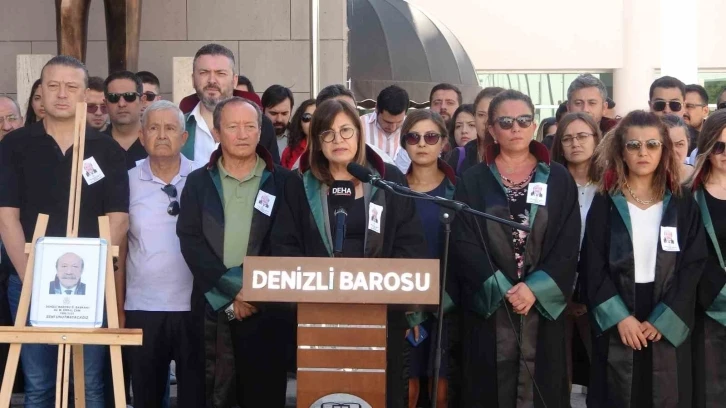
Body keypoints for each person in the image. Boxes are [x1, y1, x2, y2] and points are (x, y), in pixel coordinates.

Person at [270, 99, 426, 408]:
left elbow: (410, 243)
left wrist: (399, 295)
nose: (338, 140)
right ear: (316, 141)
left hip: (382, 312)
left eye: (345, 131)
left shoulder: (388, 179)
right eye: (327, 133)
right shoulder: (299, 186)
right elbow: (284, 245)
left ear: (359, 135)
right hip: (319, 315)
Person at [0, 55, 129, 408]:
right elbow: (6, 217)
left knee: (89, 385)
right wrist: (33, 279)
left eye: (71, 86)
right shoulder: (16, 145)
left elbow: (118, 219)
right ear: (39, 91)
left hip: (87, 283)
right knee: (39, 384)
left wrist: (95, 269)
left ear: (86, 94)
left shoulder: (106, 149)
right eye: (52, 85)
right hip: (26, 279)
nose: (61, 94)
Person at [449, 89, 579, 407]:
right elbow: (464, 242)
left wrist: (534, 289)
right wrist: (501, 288)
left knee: (543, 389)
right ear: (491, 129)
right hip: (491, 305)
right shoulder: (474, 180)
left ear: (533, 125)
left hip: (541, 307)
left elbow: (567, 242)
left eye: (523, 120)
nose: (515, 128)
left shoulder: (558, 178)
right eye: (505, 122)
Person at [580, 110, 707, 407]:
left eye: (652, 144)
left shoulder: (681, 201)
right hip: (620, 309)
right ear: (621, 151)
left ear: (663, 149)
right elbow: (592, 266)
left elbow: (693, 264)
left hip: (667, 310)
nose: (643, 153)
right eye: (633, 145)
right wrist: (619, 317)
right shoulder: (606, 201)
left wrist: (666, 317)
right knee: (618, 391)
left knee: (666, 391)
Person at [177, 97, 292, 408]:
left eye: (250, 126)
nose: (242, 134)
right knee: (211, 393)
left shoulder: (284, 182)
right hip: (211, 308)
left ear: (259, 131)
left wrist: (250, 290)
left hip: (265, 309)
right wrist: (231, 290)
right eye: (232, 126)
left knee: (264, 395)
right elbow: (190, 240)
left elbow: (285, 243)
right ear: (216, 133)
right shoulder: (199, 182)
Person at [124, 100, 204, 408]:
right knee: (146, 396)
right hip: (143, 306)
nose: (161, 135)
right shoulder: (127, 182)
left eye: (170, 128)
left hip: (194, 306)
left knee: (196, 395)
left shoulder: (202, 179)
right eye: (153, 128)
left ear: (184, 138)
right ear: (141, 136)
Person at [399, 110, 456, 408]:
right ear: (404, 142)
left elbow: (465, 254)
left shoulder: (457, 191)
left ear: (443, 143)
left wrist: (441, 302)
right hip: (405, 304)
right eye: (413, 137)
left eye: (431, 136)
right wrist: (410, 309)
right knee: (407, 390)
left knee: (442, 392)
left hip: (448, 305)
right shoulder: (391, 190)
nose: (422, 143)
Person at [549, 111, 602, 390]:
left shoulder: (612, 184)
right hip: (557, 284)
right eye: (567, 138)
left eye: (582, 136)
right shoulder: (549, 183)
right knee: (558, 370)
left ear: (596, 139)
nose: (575, 143)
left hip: (601, 285)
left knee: (603, 368)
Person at [178, 43, 279, 164]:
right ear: (193, 79)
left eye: (220, 73)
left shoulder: (260, 123)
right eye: (204, 72)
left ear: (234, 81)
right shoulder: (177, 126)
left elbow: (273, 176)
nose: (211, 80)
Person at [688, 109, 726, 407]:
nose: (725, 153)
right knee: (709, 390)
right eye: (719, 146)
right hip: (705, 305)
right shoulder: (689, 194)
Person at [444, 87, 505, 176]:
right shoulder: (460, 156)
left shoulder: (522, 156)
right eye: (481, 115)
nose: (486, 121)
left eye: (493, 114)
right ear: (474, 116)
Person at [103, 70, 148, 169]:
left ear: (142, 101)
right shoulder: (93, 146)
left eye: (129, 96)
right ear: (105, 103)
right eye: (113, 97)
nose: (121, 104)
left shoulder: (155, 142)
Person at [361, 85, 409, 160]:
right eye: (388, 122)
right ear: (376, 108)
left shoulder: (412, 128)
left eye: (399, 122)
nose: (393, 127)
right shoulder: (360, 125)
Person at [261, 84, 295, 160]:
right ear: (263, 110)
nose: (279, 119)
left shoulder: (299, 138)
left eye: (284, 113)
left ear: (291, 111)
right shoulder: (253, 136)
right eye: (273, 113)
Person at [281, 99, 315, 170]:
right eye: (307, 117)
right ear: (300, 123)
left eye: (318, 117)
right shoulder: (289, 152)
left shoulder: (332, 150)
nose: (313, 122)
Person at [662, 114, 695, 182]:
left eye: (680, 144)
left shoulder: (701, 177)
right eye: (667, 145)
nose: (673, 151)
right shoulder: (646, 181)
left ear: (688, 142)